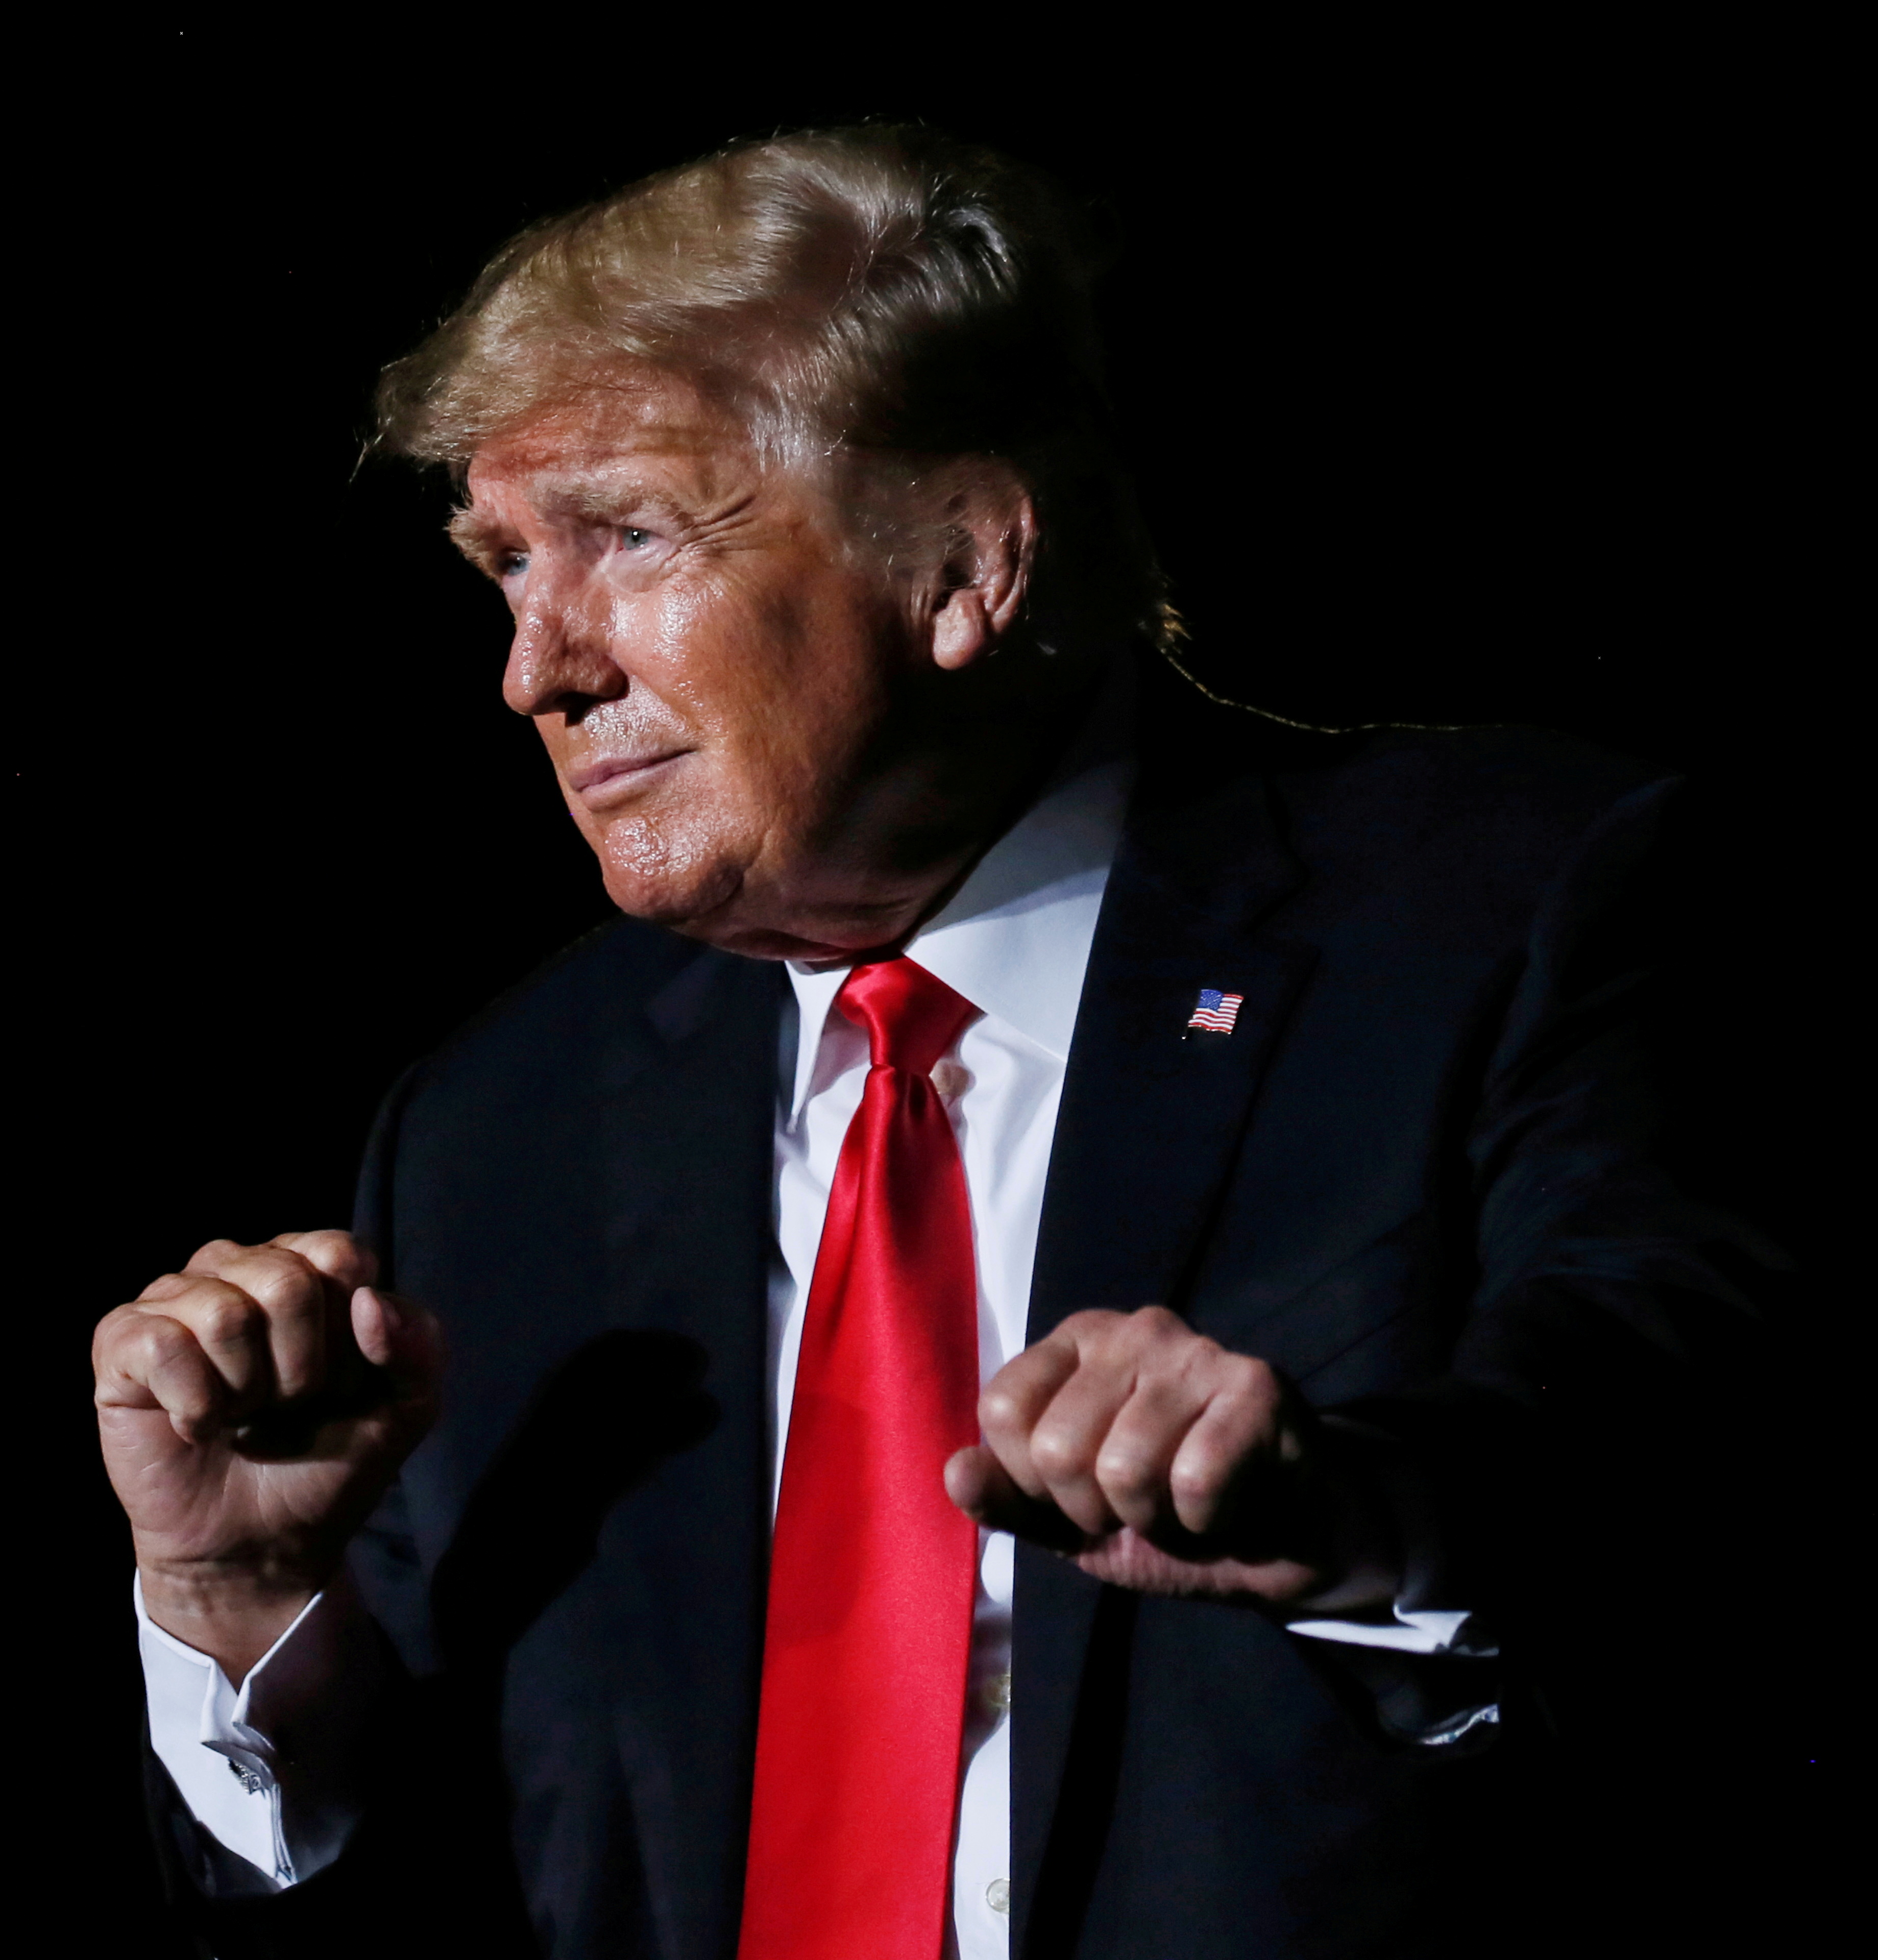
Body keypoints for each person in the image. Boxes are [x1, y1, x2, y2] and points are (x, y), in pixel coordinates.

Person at [89, 127, 1769, 1958]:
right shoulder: (498, 1127)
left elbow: (1700, 1455)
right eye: (502, 568)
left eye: (631, 537)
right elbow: (448, 1884)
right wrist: (242, 1602)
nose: (535, 672)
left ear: (964, 566)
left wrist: (1354, 1507)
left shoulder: (1510, 912)